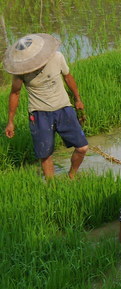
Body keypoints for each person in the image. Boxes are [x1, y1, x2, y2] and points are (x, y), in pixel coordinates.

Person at [3, 33, 89, 179]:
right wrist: (10, 121)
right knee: (45, 154)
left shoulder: (57, 57)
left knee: (82, 147)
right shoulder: (21, 71)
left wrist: (77, 99)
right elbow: (15, 93)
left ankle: (72, 176)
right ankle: (51, 186)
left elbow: (68, 77)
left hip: (63, 108)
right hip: (39, 114)